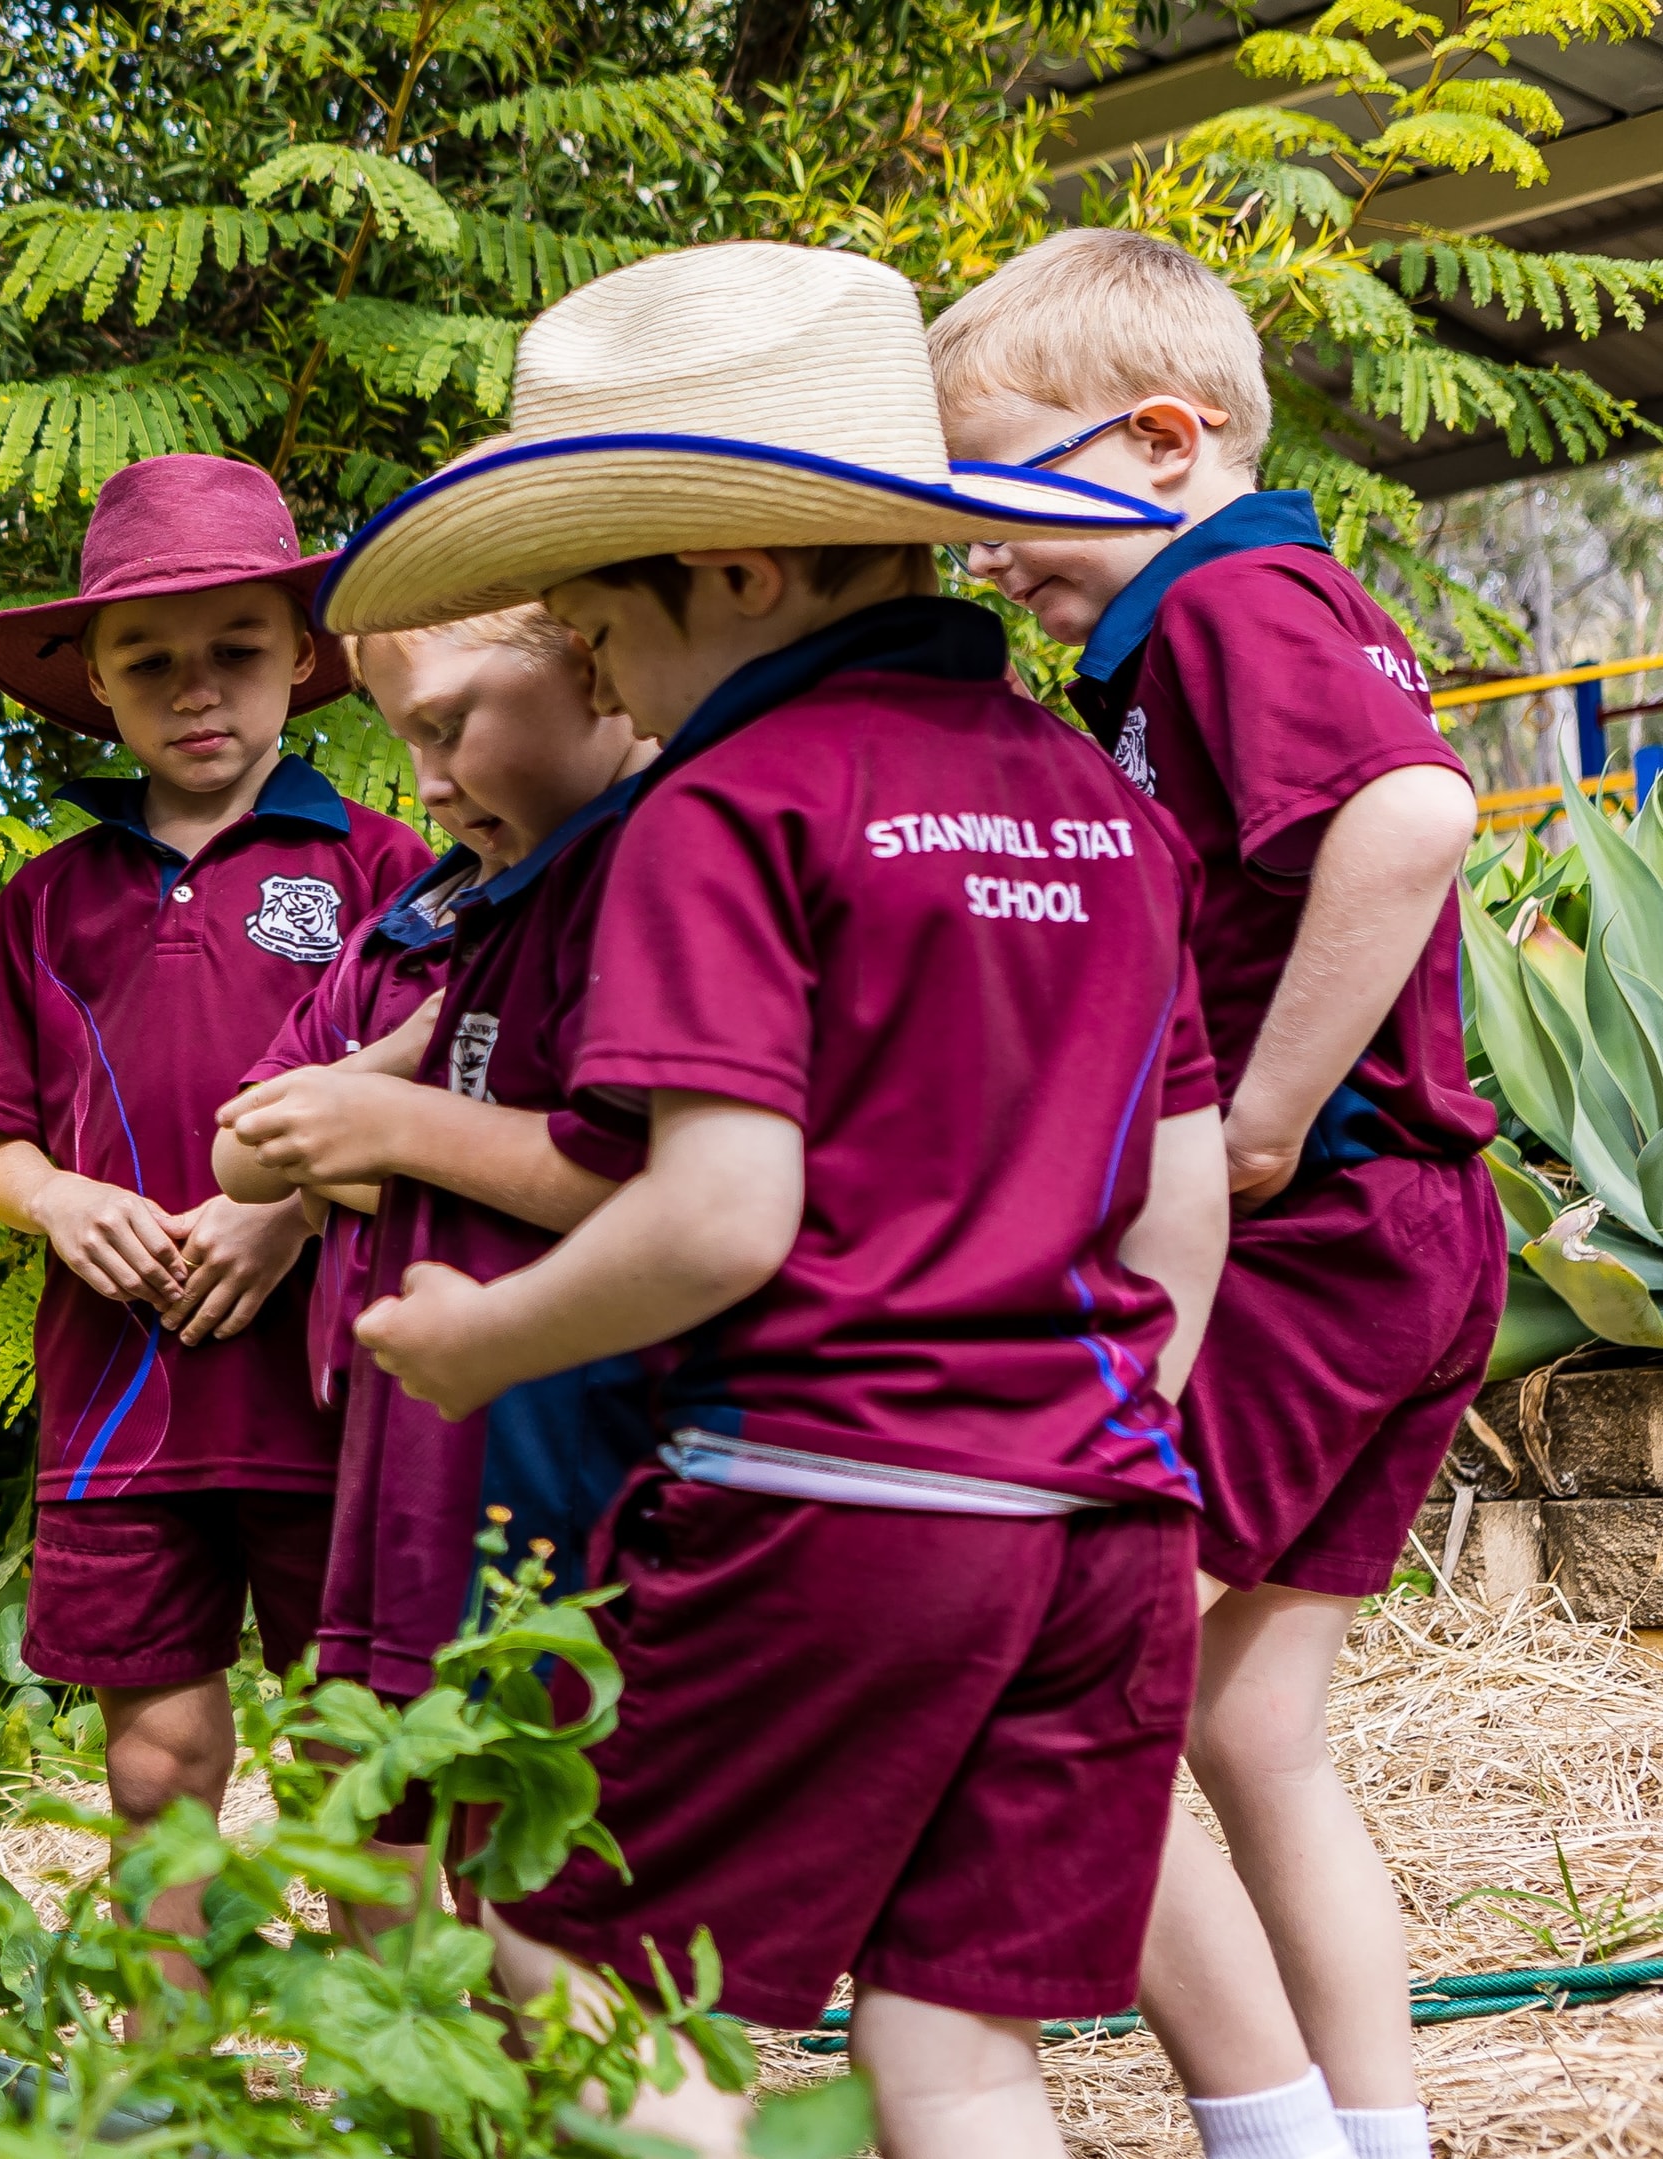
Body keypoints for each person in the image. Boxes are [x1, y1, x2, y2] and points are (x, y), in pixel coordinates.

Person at [327, 241, 1224, 2159]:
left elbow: (722, 1214)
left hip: (838, 1493)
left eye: (595, 629)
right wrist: (1109, 1422)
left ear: (730, 572)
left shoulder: (728, 809)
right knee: (956, 2044)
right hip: (1105, 1521)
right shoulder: (1101, 805)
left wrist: (478, 1338)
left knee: (594, 1975)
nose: (599, 680)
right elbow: (1172, 1192)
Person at [932, 228, 1498, 2159]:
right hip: (1407, 1238)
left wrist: (1255, 1121)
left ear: (1161, 438)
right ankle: (1375, 2131)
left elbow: (1417, 813)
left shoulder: (1230, 604)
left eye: (990, 491)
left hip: (1318, 1230)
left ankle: (1264, 2125)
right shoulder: (1241, 608)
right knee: (1252, 1730)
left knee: (1062, 1658)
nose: (972, 548)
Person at [0, 453, 433, 1949]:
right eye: (149, 659)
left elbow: (442, 1096)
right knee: (156, 1756)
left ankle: (391, 2061)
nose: (196, 689)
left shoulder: (384, 868)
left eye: (237, 651)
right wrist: (61, 1203)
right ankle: (173, 2073)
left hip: (335, 1381)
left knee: (363, 1751)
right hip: (121, 1396)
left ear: (305, 659)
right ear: (92, 677)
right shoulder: (50, 896)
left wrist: (281, 1211)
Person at [213, 604, 661, 1707]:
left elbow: (636, 1171)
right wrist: (400, 1060)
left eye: (448, 727)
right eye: (406, 739)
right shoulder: (416, 923)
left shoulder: (646, 873)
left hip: (594, 1428)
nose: (427, 787)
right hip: (414, 1425)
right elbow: (246, 1148)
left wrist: (375, 1141)